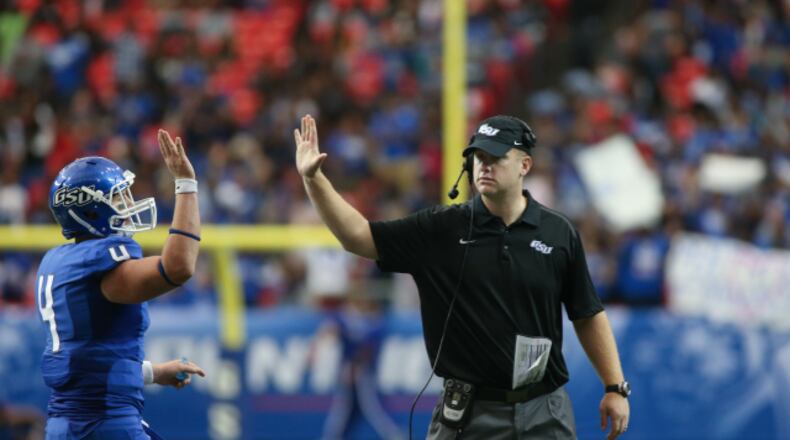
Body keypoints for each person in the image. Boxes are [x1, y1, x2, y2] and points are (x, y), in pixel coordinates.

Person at [294, 114, 630, 440]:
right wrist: (314, 179)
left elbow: (587, 312)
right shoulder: (442, 228)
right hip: (469, 414)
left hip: (545, 409)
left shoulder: (559, 233)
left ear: (524, 165)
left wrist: (614, 386)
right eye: (478, 157)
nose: (484, 165)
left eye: (496, 156)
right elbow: (357, 237)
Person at [36, 129, 206, 440]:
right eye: (118, 196)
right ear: (90, 209)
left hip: (68, 425)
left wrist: (153, 372)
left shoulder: (57, 263)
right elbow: (178, 267)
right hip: (104, 425)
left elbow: (87, 366)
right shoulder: (99, 262)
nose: (127, 204)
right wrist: (186, 184)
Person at [314, 290, 404, 440]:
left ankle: (395, 435)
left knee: (373, 408)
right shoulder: (345, 319)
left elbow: (365, 348)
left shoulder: (374, 324)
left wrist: (355, 368)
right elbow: (329, 330)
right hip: (350, 372)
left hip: (364, 373)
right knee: (344, 411)